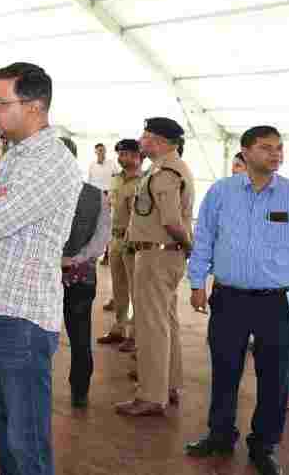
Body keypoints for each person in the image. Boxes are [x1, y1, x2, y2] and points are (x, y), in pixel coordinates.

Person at [0, 62, 81, 475]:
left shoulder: (49, 162)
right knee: (3, 425)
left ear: (33, 106)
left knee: (25, 439)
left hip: (22, 319)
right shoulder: (15, 156)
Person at [185, 126, 289, 475]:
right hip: (229, 298)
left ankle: (264, 446)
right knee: (225, 370)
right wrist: (196, 282)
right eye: (266, 148)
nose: (276, 154)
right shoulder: (221, 192)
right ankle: (219, 435)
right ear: (245, 152)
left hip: (278, 302)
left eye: (279, 148)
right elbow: (204, 237)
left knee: (275, 377)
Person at [115, 117, 194, 417]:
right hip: (163, 254)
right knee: (165, 322)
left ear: (159, 141)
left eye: (145, 136)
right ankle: (169, 385)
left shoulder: (165, 172)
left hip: (156, 255)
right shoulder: (169, 168)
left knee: (151, 326)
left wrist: (187, 245)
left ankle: (151, 395)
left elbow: (171, 221)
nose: (140, 141)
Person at [58, 137, 110, 408]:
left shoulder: (36, 194)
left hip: (42, 276)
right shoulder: (96, 195)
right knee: (80, 335)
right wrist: (76, 258)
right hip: (81, 275)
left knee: (34, 336)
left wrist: (58, 259)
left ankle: (31, 390)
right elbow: (101, 240)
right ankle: (80, 390)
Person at [98, 139, 143, 353]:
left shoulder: (144, 182)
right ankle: (119, 328)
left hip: (133, 241)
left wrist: (133, 239)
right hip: (115, 239)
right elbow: (110, 207)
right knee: (118, 287)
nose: (121, 158)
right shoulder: (116, 179)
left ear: (137, 156)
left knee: (136, 290)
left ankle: (135, 335)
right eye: (120, 154)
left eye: (126, 154)